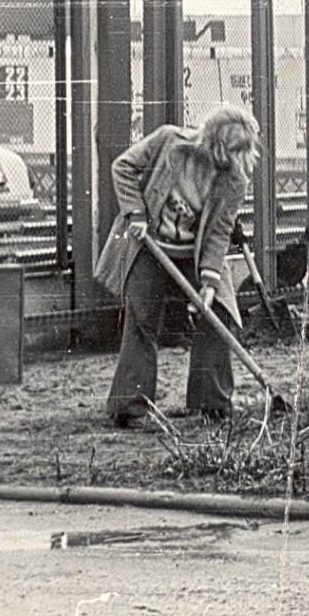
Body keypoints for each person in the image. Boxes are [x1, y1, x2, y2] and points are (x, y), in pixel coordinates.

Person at [96, 104, 260, 428]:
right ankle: (130, 406)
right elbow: (122, 167)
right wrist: (136, 212)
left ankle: (210, 404)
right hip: (150, 246)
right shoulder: (169, 142)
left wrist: (210, 281)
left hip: (193, 255)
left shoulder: (234, 180)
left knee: (219, 314)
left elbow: (220, 231)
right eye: (229, 150)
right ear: (212, 142)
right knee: (142, 317)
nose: (232, 159)